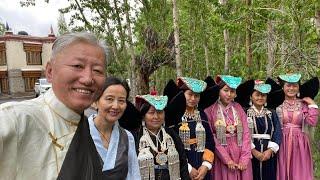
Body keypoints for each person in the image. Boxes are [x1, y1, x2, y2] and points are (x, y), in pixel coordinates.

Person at [0, 32, 107, 179]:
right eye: (77, 66)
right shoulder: (15, 119)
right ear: (50, 71)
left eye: (97, 70)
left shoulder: (83, 123)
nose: (88, 79)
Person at [87, 77, 141, 179]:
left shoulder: (127, 138)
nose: (116, 106)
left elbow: (133, 175)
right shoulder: (80, 134)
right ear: (95, 102)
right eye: (109, 99)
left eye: (121, 101)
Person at [164, 77, 215, 180]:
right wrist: (188, 168)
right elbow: (171, 143)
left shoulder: (202, 114)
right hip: (182, 162)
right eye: (190, 94)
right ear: (182, 94)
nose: (193, 99)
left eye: (196, 96)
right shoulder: (174, 115)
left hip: (201, 162)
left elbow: (209, 140)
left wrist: (205, 165)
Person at [204, 75, 253, 180]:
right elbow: (211, 137)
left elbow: (246, 133)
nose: (229, 94)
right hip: (221, 155)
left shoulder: (238, 108)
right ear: (219, 91)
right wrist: (226, 159)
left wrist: (244, 159)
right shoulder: (210, 110)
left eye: (232, 91)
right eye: (225, 90)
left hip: (240, 152)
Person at [133, 94, 190, 180]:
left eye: (160, 112)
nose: (156, 117)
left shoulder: (171, 134)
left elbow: (182, 162)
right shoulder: (136, 136)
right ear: (143, 116)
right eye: (151, 113)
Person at [275, 73, 319, 180]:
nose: (291, 88)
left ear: (298, 87)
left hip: (300, 142)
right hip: (281, 141)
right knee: (281, 168)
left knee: (299, 170)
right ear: (283, 87)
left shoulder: (303, 104)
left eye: (294, 85)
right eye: (288, 85)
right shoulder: (277, 104)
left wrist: (312, 104)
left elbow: (312, 122)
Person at [242, 80, 282, 180]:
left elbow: (277, 132)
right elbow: (241, 132)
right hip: (250, 150)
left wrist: (270, 150)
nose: (260, 98)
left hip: (268, 151)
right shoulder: (244, 112)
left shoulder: (271, 113)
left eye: (263, 95)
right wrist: (253, 151)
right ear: (251, 97)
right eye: (257, 95)